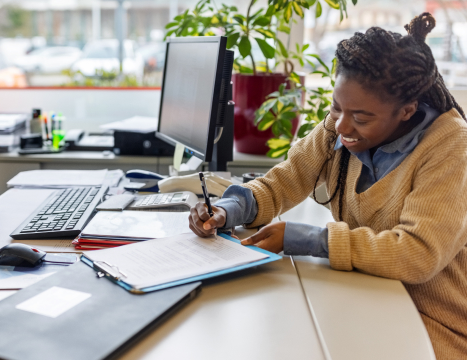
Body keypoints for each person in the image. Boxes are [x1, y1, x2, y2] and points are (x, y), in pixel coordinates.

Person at [189, 13, 467, 359]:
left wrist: (307, 239)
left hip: (435, 326)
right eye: (337, 107)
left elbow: (418, 253)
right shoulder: (341, 124)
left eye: (361, 117)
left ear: (407, 110)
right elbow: (286, 179)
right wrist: (229, 209)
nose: (343, 126)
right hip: (367, 296)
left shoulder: (452, 147)